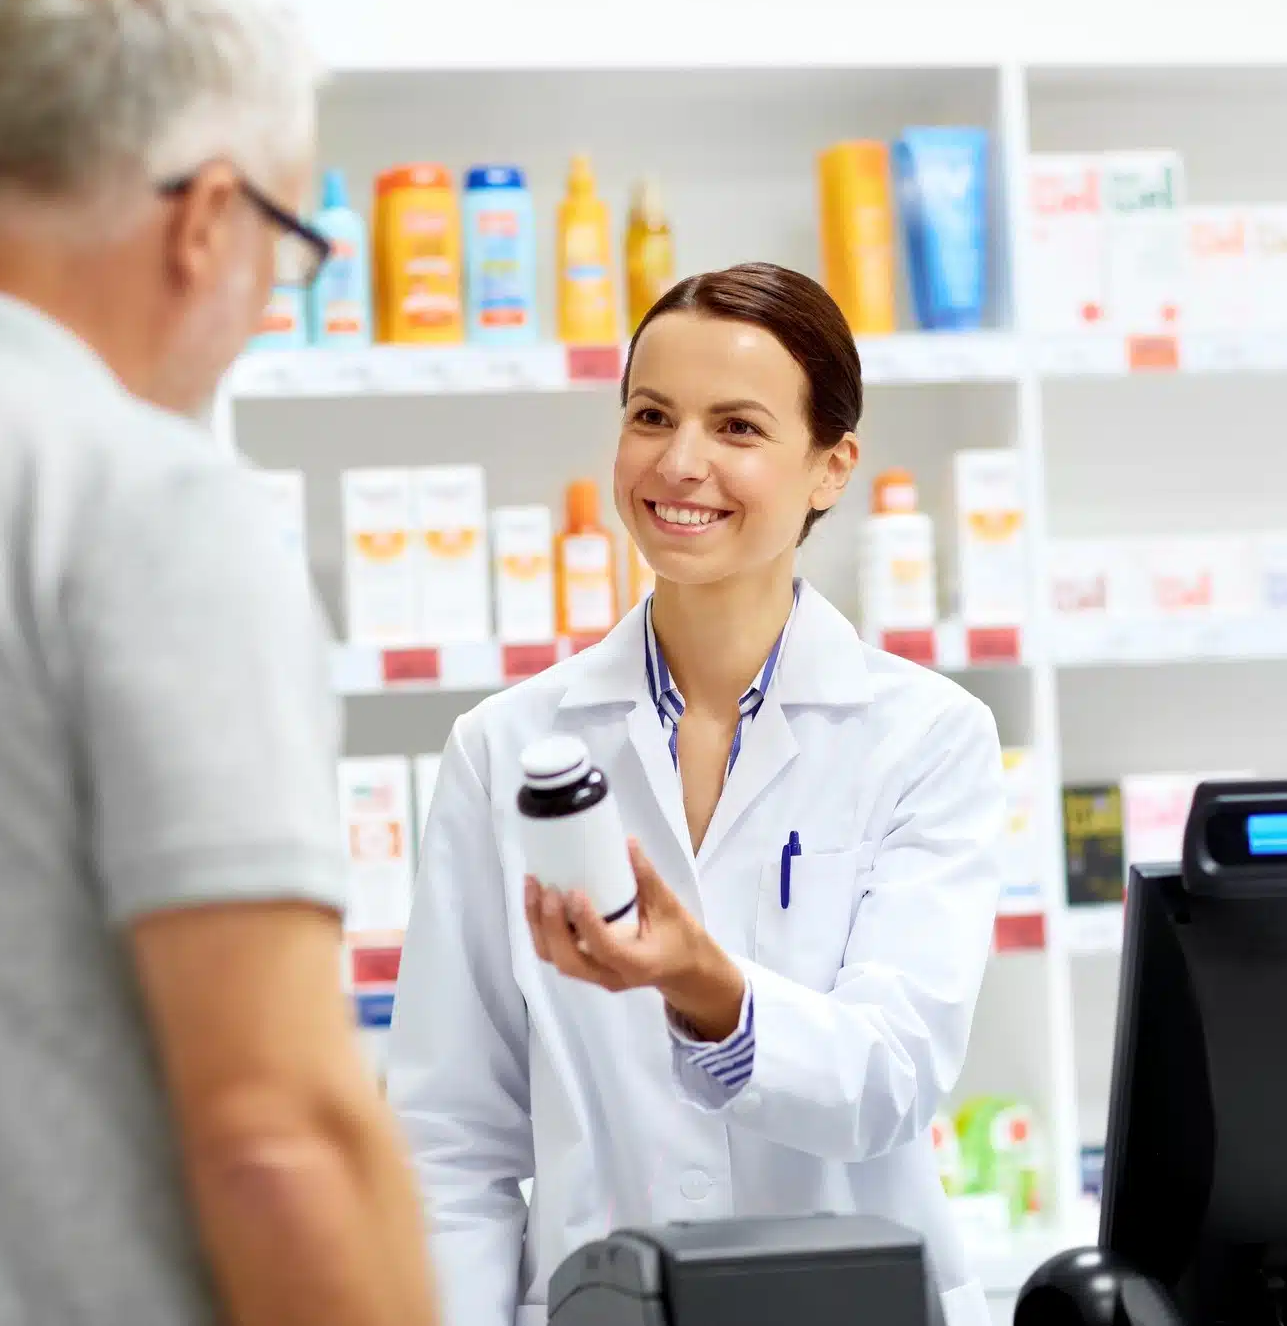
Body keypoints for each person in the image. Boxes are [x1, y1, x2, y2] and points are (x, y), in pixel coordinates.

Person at [0, 0, 436, 1325]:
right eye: (289, 258)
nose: (260, 316)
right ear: (206, 219)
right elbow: (278, 1135)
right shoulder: (144, 503)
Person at [388, 261, 1007, 1326]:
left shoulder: (927, 738)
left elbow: (889, 1075)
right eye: (649, 415)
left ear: (830, 467)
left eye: (737, 428)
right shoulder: (502, 748)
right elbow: (449, 1137)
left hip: (845, 1306)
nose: (679, 463)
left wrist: (710, 990)